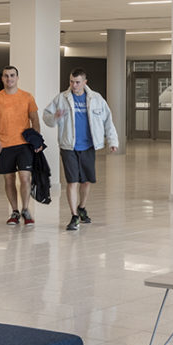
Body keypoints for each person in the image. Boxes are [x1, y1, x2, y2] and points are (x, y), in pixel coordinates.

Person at [43, 68, 121, 231]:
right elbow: (47, 117)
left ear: (85, 82)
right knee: (72, 181)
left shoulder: (97, 99)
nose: (74, 85)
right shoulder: (61, 98)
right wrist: (55, 117)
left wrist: (112, 140)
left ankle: (82, 207)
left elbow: (108, 121)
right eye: (71, 81)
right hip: (68, 146)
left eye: (77, 82)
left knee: (86, 181)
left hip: (88, 146)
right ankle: (74, 216)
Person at [0, 65, 40, 225]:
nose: (9, 79)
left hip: (24, 144)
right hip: (4, 144)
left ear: (17, 77)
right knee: (9, 179)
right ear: (2, 78)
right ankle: (15, 211)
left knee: (25, 177)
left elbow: (34, 119)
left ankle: (26, 209)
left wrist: (37, 140)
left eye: (12, 75)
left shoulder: (27, 97)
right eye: (6, 76)